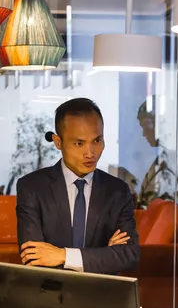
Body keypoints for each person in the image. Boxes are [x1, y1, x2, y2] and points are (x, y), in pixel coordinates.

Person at [16, 97, 140, 275]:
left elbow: (129, 255)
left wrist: (63, 255)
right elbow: (34, 258)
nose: (90, 153)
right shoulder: (32, 188)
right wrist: (104, 255)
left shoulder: (117, 191)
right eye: (79, 143)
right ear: (58, 143)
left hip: (100, 296)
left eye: (97, 141)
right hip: (50, 297)